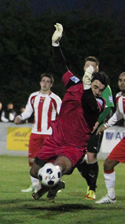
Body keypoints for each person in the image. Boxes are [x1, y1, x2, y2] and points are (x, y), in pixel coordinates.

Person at [30, 23, 109, 201]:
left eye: (100, 89)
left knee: (57, 167)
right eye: (95, 86)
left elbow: (88, 103)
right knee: (34, 171)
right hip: (56, 138)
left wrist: (89, 87)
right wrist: (55, 45)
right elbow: (61, 67)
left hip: (73, 146)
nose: (97, 91)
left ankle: (54, 183)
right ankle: (55, 185)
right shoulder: (75, 84)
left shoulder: (98, 102)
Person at [14, 73, 62, 193]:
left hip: (49, 134)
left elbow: (62, 116)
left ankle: (53, 185)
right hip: (35, 133)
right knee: (31, 159)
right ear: (40, 82)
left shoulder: (55, 99)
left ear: (51, 84)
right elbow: (28, 113)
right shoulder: (33, 96)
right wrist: (20, 117)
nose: (45, 83)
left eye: (47, 81)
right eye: (43, 81)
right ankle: (35, 186)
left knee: (49, 161)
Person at [76, 57, 114, 200]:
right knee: (77, 157)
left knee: (91, 156)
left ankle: (92, 189)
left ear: (97, 69)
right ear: (84, 68)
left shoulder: (103, 86)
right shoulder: (81, 84)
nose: (90, 69)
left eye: (93, 67)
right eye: (87, 66)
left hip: (94, 127)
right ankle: (90, 182)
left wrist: (97, 122)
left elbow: (109, 107)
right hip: (79, 127)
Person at [95, 72, 125, 204]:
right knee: (108, 164)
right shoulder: (118, 97)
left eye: (124, 80)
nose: (122, 82)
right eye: (120, 80)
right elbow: (118, 114)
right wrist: (106, 125)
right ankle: (111, 196)